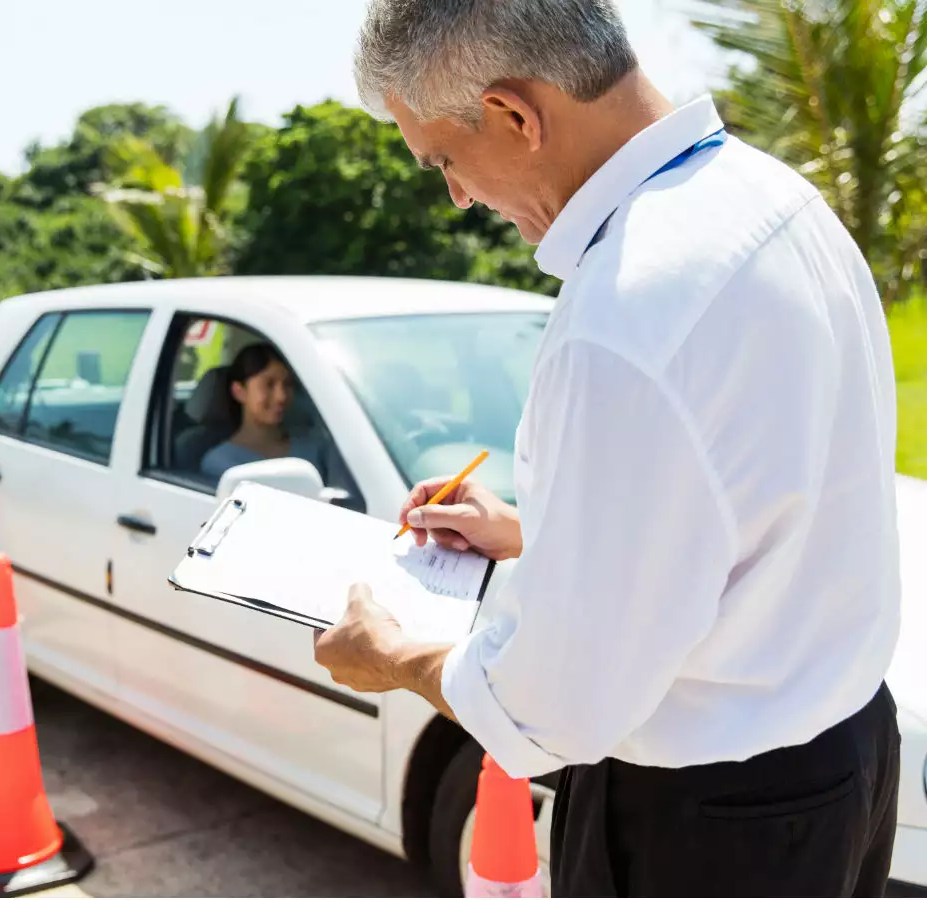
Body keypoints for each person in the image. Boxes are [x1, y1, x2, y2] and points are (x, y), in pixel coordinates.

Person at [312, 1, 902, 896]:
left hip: (709, 829)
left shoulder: (624, 313)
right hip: (848, 755)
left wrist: (392, 654)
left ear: (514, 114)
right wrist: (538, 535)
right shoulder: (777, 199)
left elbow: (554, 707)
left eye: (442, 159)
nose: (457, 196)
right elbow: (759, 499)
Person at [200, 342, 325, 483]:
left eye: (288, 384)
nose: (282, 396)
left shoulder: (313, 447)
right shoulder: (221, 463)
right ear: (239, 391)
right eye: (269, 384)